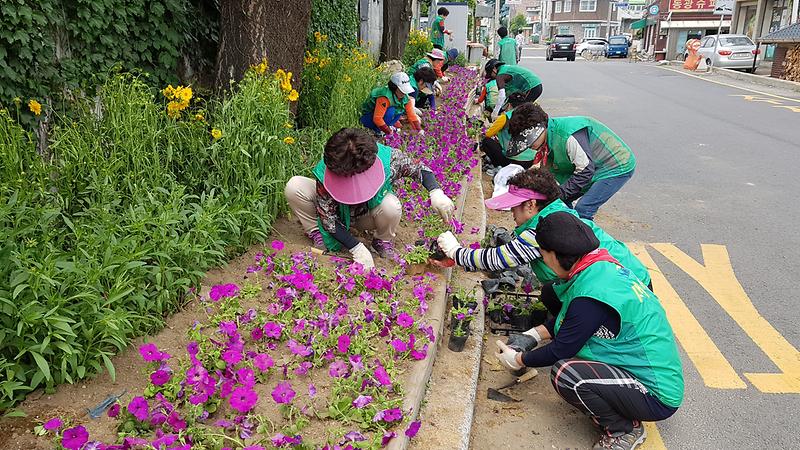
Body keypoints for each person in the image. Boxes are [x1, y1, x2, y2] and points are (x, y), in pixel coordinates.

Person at [493, 211, 683, 450]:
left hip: (656, 394)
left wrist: (519, 358)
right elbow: (572, 321)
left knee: (568, 375)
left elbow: (563, 346)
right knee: (572, 354)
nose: (542, 259)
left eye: (543, 253)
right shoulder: (597, 267)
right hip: (648, 370)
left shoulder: (591, 295)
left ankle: (624, 430)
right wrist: (532, 335)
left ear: (555, 254)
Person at [436, 168, 651, 291]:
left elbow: (499, 259)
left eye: (514, 205)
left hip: (627, 285)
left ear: (530, 205)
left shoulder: (546, 228)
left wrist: (456, 251)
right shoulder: (552, 213)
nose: (511, 211)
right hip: (625, 276)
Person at [284, 128, 455, 269]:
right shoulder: (330, 168)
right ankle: (315, 232)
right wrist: (356, 247)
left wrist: (436, 192)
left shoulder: (389, 159)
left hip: (365, 215)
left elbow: (419, 169)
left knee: (391, 206)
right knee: (295, 186)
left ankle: (381, 240)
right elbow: (328, 219)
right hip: (335, 214)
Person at [506, 102, 636, 220]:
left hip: (615, 165)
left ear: (539, 130)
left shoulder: (566, 135)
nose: (529, 147)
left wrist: (559, 194)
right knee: (559, 201)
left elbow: (585, 170)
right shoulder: (547, 139)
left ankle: (584, 241)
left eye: (530, 142)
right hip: (591, 165)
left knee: (584, 209)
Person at [479, 91, 535, 169]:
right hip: (530, 161)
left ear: (509, 105)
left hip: (512, 162)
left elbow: (487, 134)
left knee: (486, 141)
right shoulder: (531, 115)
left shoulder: (505, 117)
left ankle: (498, 166)